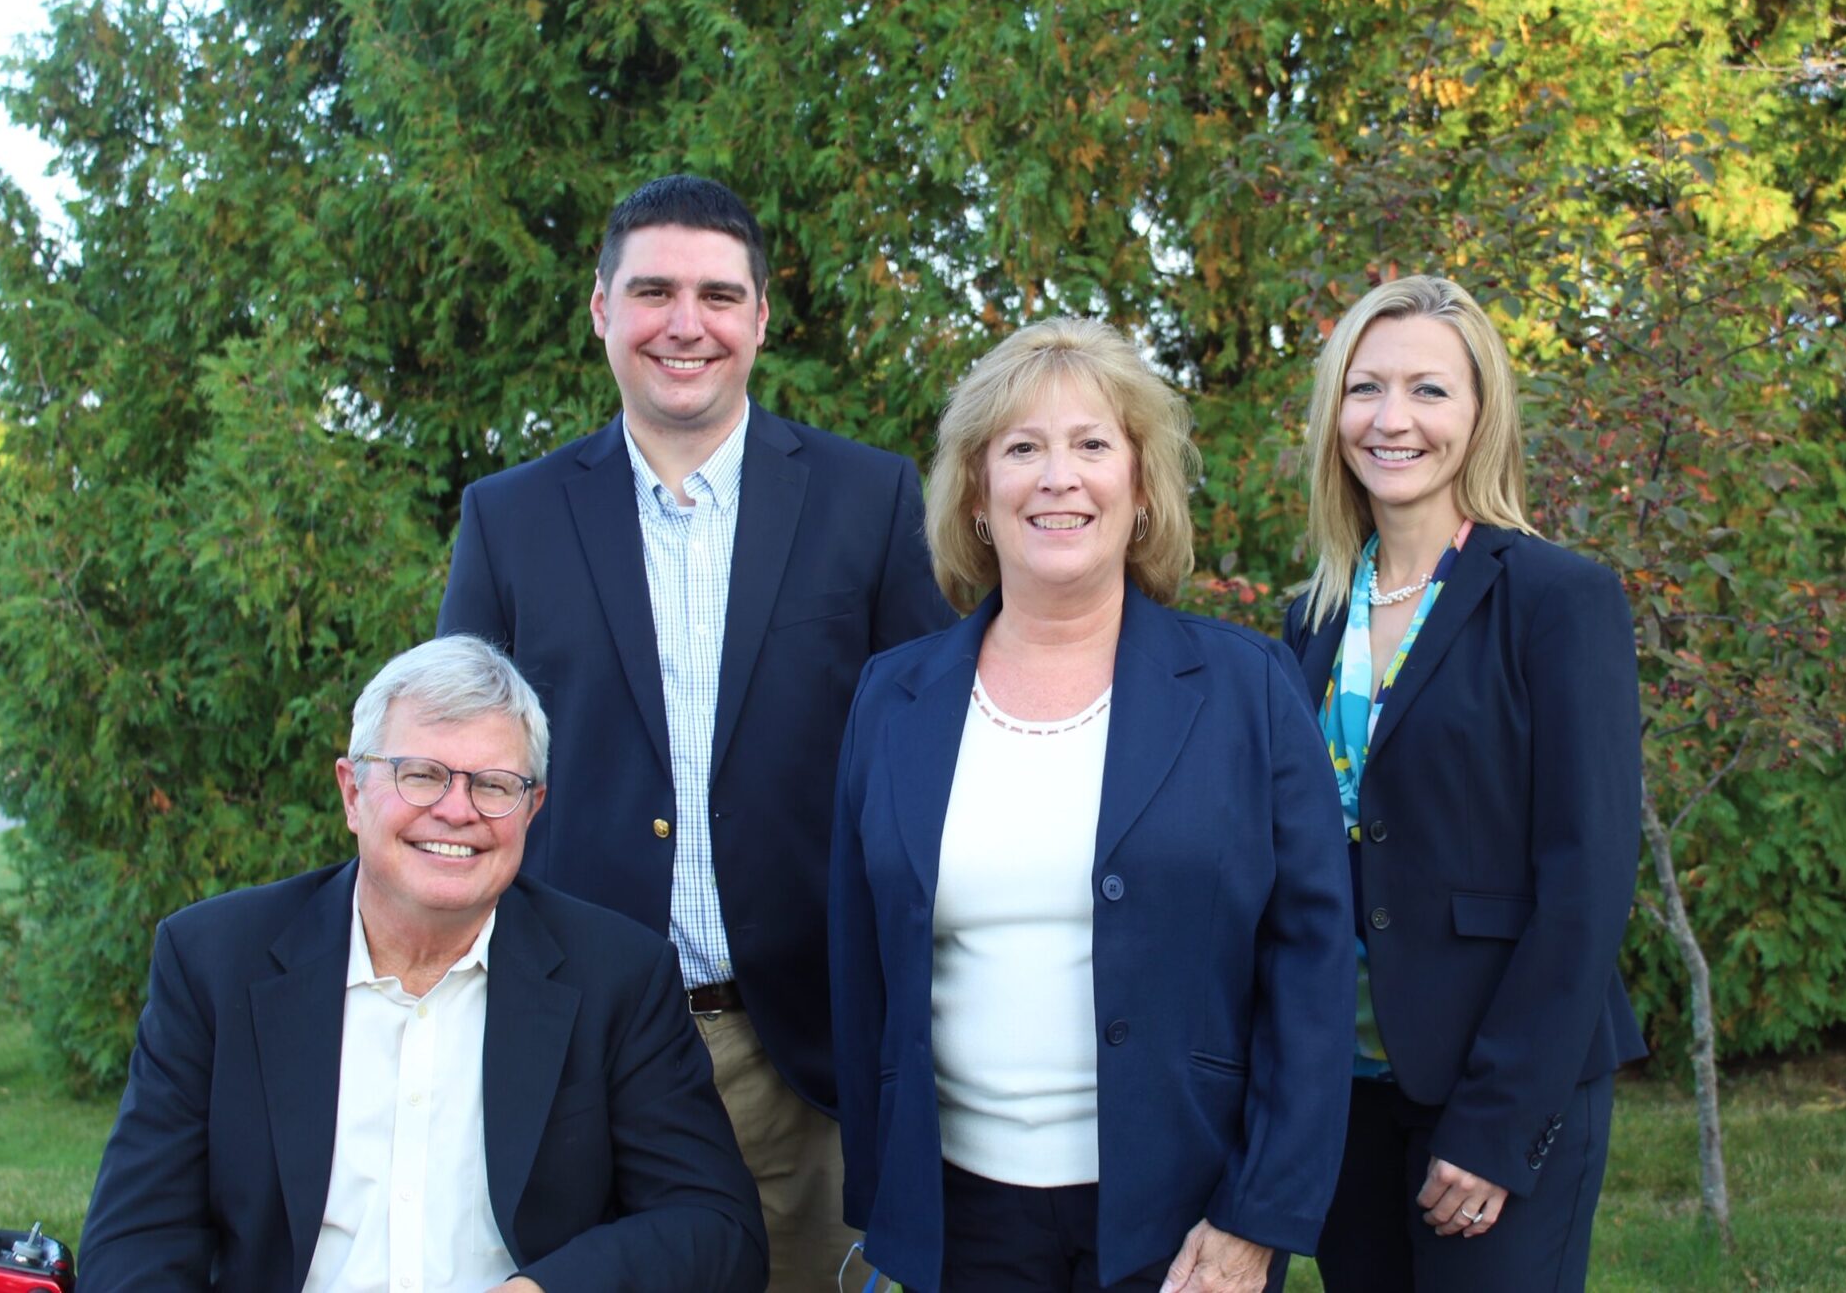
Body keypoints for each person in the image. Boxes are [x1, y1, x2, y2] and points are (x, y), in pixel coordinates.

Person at [436, 175, 953, 1287]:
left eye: (719, 294)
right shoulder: (510, 517)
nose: (686, 322)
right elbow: (460, 775)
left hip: (798, 1051)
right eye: (653, 290)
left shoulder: (866, 502)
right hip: (581, 1043)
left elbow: (931, 763)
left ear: (760, 318)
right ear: (600, 310)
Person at [830, 317, 1352, 1293]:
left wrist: (1256, 1217)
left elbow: (1310, 973)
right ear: (978, 494)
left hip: (1184, 1219)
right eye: (1020, 448)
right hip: (960, 1222)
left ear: (1141, 490)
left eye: (1090, 444)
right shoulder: (891, 700)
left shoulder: (1247, 690)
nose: (1055, 476)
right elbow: (860, 963)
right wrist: (885, 1205)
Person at [79, 636, 766, 1293]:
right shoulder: (215, 963)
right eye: (423, 776)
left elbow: (715, 1228)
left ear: (533, 809)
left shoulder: (617, 977)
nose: (456, 811)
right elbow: (138, 1242)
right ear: (353, 793)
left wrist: (542, 1289)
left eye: (495, 785)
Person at [1282, 275, 1646, 1291]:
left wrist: (1495, 1122)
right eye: (1364, 388)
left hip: (1496, 1084)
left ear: (1479, 415)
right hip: (1347, 1090)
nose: (1390, 419)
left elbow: (1585, 881)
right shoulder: (1309, 616)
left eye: (1428, 390)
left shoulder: (1555, 599)